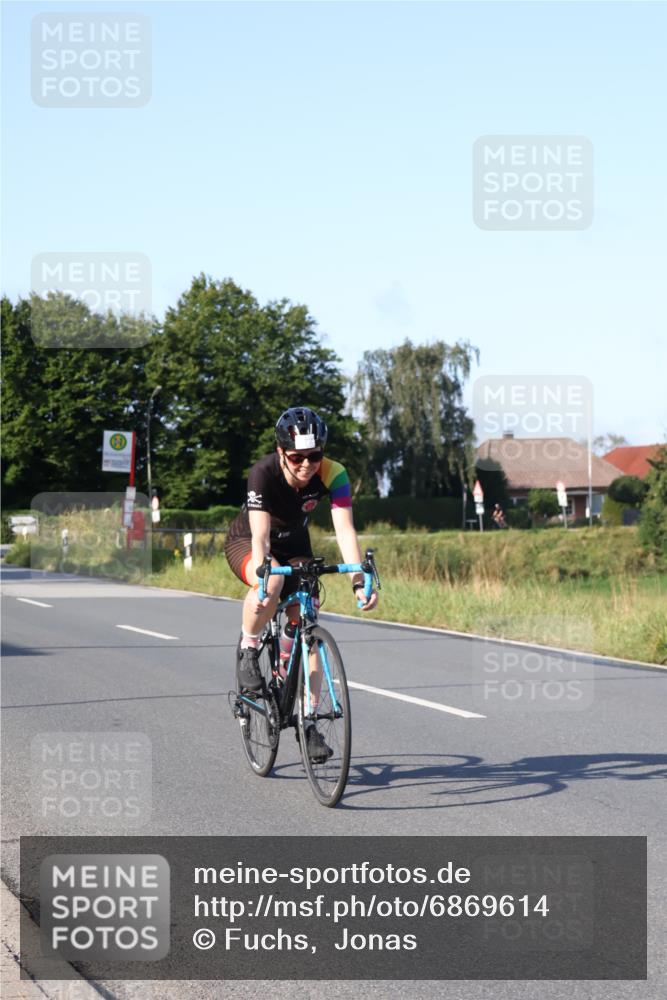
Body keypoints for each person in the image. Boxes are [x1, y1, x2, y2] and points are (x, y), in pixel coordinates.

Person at [224, 406, 379, 760]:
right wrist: (263, 582)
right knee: (272, 585)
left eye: (314, 456)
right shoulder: (262, 473)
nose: (307, 465)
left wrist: (358, 582)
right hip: (248, 541)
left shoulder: (334, 474)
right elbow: (261, 538)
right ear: (281, 452)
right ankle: (249, 648)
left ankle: (308, 722)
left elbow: (345, 530)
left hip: (295, 545)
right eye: (297, 457)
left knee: (308, 617)